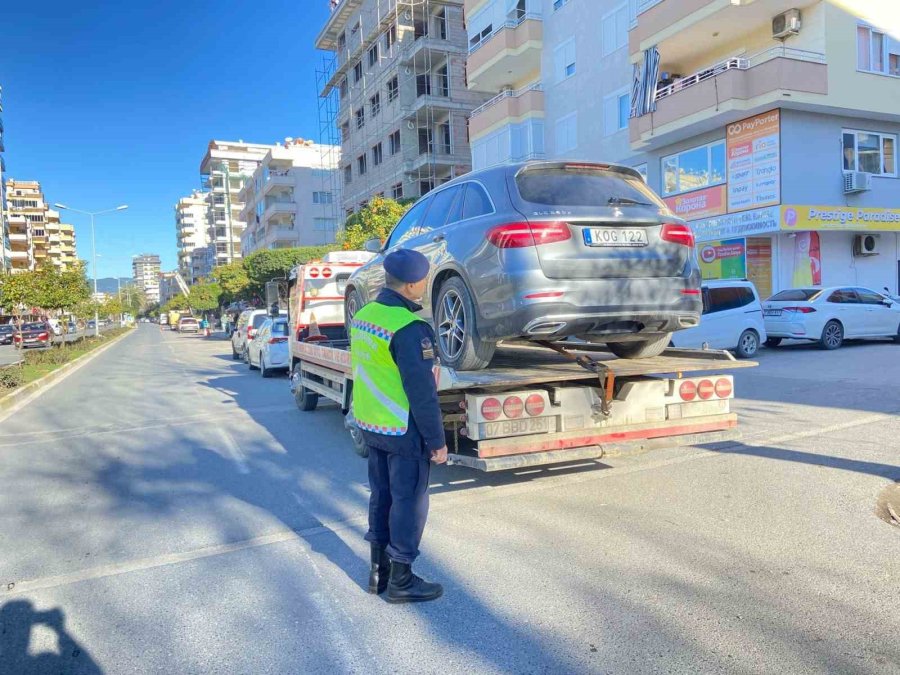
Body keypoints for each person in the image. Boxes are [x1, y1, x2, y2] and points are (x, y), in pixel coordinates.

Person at [350, 249, 447, 604]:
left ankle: (379, 574)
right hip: (403, 429)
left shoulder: (364, 316)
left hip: (373, 424)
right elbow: (422, 393)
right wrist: (437, 442)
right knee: (408, 502)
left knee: (382, 496)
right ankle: (402, 580)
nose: (424, 285)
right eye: (423, 280)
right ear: (411, 285)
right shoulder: (409, 327)